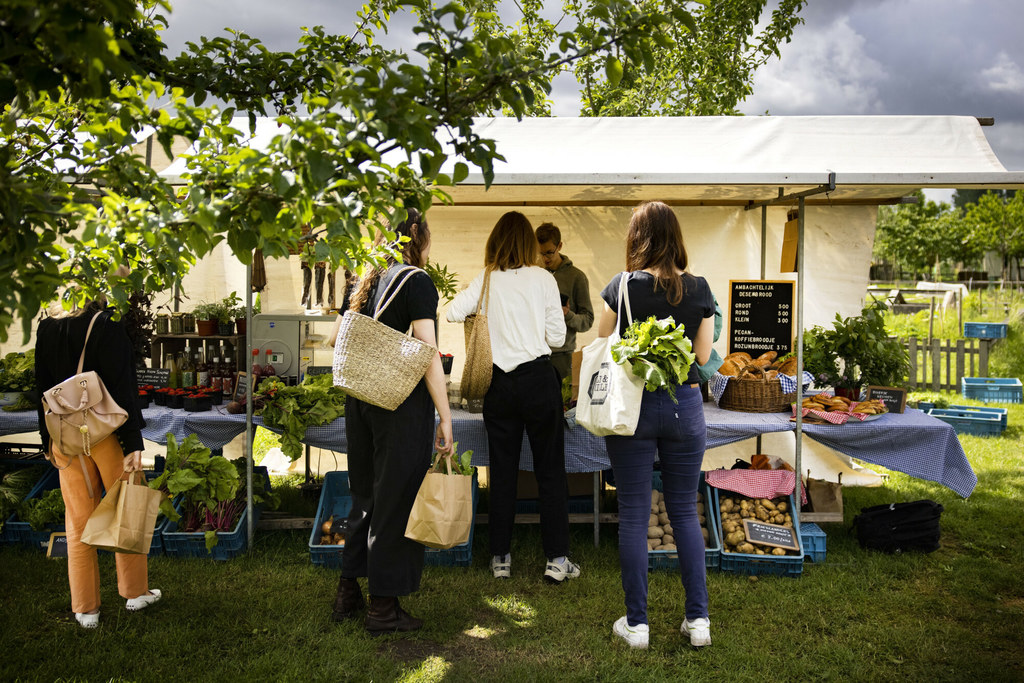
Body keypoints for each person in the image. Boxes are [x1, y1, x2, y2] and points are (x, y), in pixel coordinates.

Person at [327, 207, 453, 635]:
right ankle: (383, 607)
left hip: (359, 398)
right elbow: (429, 353)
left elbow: (335, 336)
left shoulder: (365, 280)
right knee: (395, 500)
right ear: (416, 234)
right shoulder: (416, 282)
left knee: (364, 495)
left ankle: (348, 591)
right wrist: (445, 416)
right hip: (399, 406)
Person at [597, 201, 715, 649]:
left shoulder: (622, 287)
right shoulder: (700, 288)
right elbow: (703, 359)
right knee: (684, 509)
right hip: (685, 405)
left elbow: (603, 344)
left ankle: (638, 625)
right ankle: (698, 621)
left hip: (634, 409)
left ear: (636, 238)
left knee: (633, 512)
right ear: (676, 238)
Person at [447, 211, 580, 583]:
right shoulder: (543, 278)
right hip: (539, 380)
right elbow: (556, 339)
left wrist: (488, 314)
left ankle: (500, 558)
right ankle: (556, 559)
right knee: (550, 470)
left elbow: (452, 311)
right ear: (528, 243)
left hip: (499, 385)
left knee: (502, 471)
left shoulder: (486, 278)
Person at [34, 295, 160, 629]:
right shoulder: (107, 325)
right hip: (108, 434)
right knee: (126, 509)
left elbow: (41, 388)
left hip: (65, 437)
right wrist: (133, 441)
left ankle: (85, 609)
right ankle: (135, 592)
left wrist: (47, 440)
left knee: (77, 520)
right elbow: (124, 388)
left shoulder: (46, 327)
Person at [535, 222, 594, 383]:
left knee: (562, 406)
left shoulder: (576, 277)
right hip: (532, 354)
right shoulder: (532, 275)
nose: (544, 258)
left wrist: (568, 315)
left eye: (549, 253)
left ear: (559, 246)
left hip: (562, 356)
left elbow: (588, 321)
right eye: (540, 253)